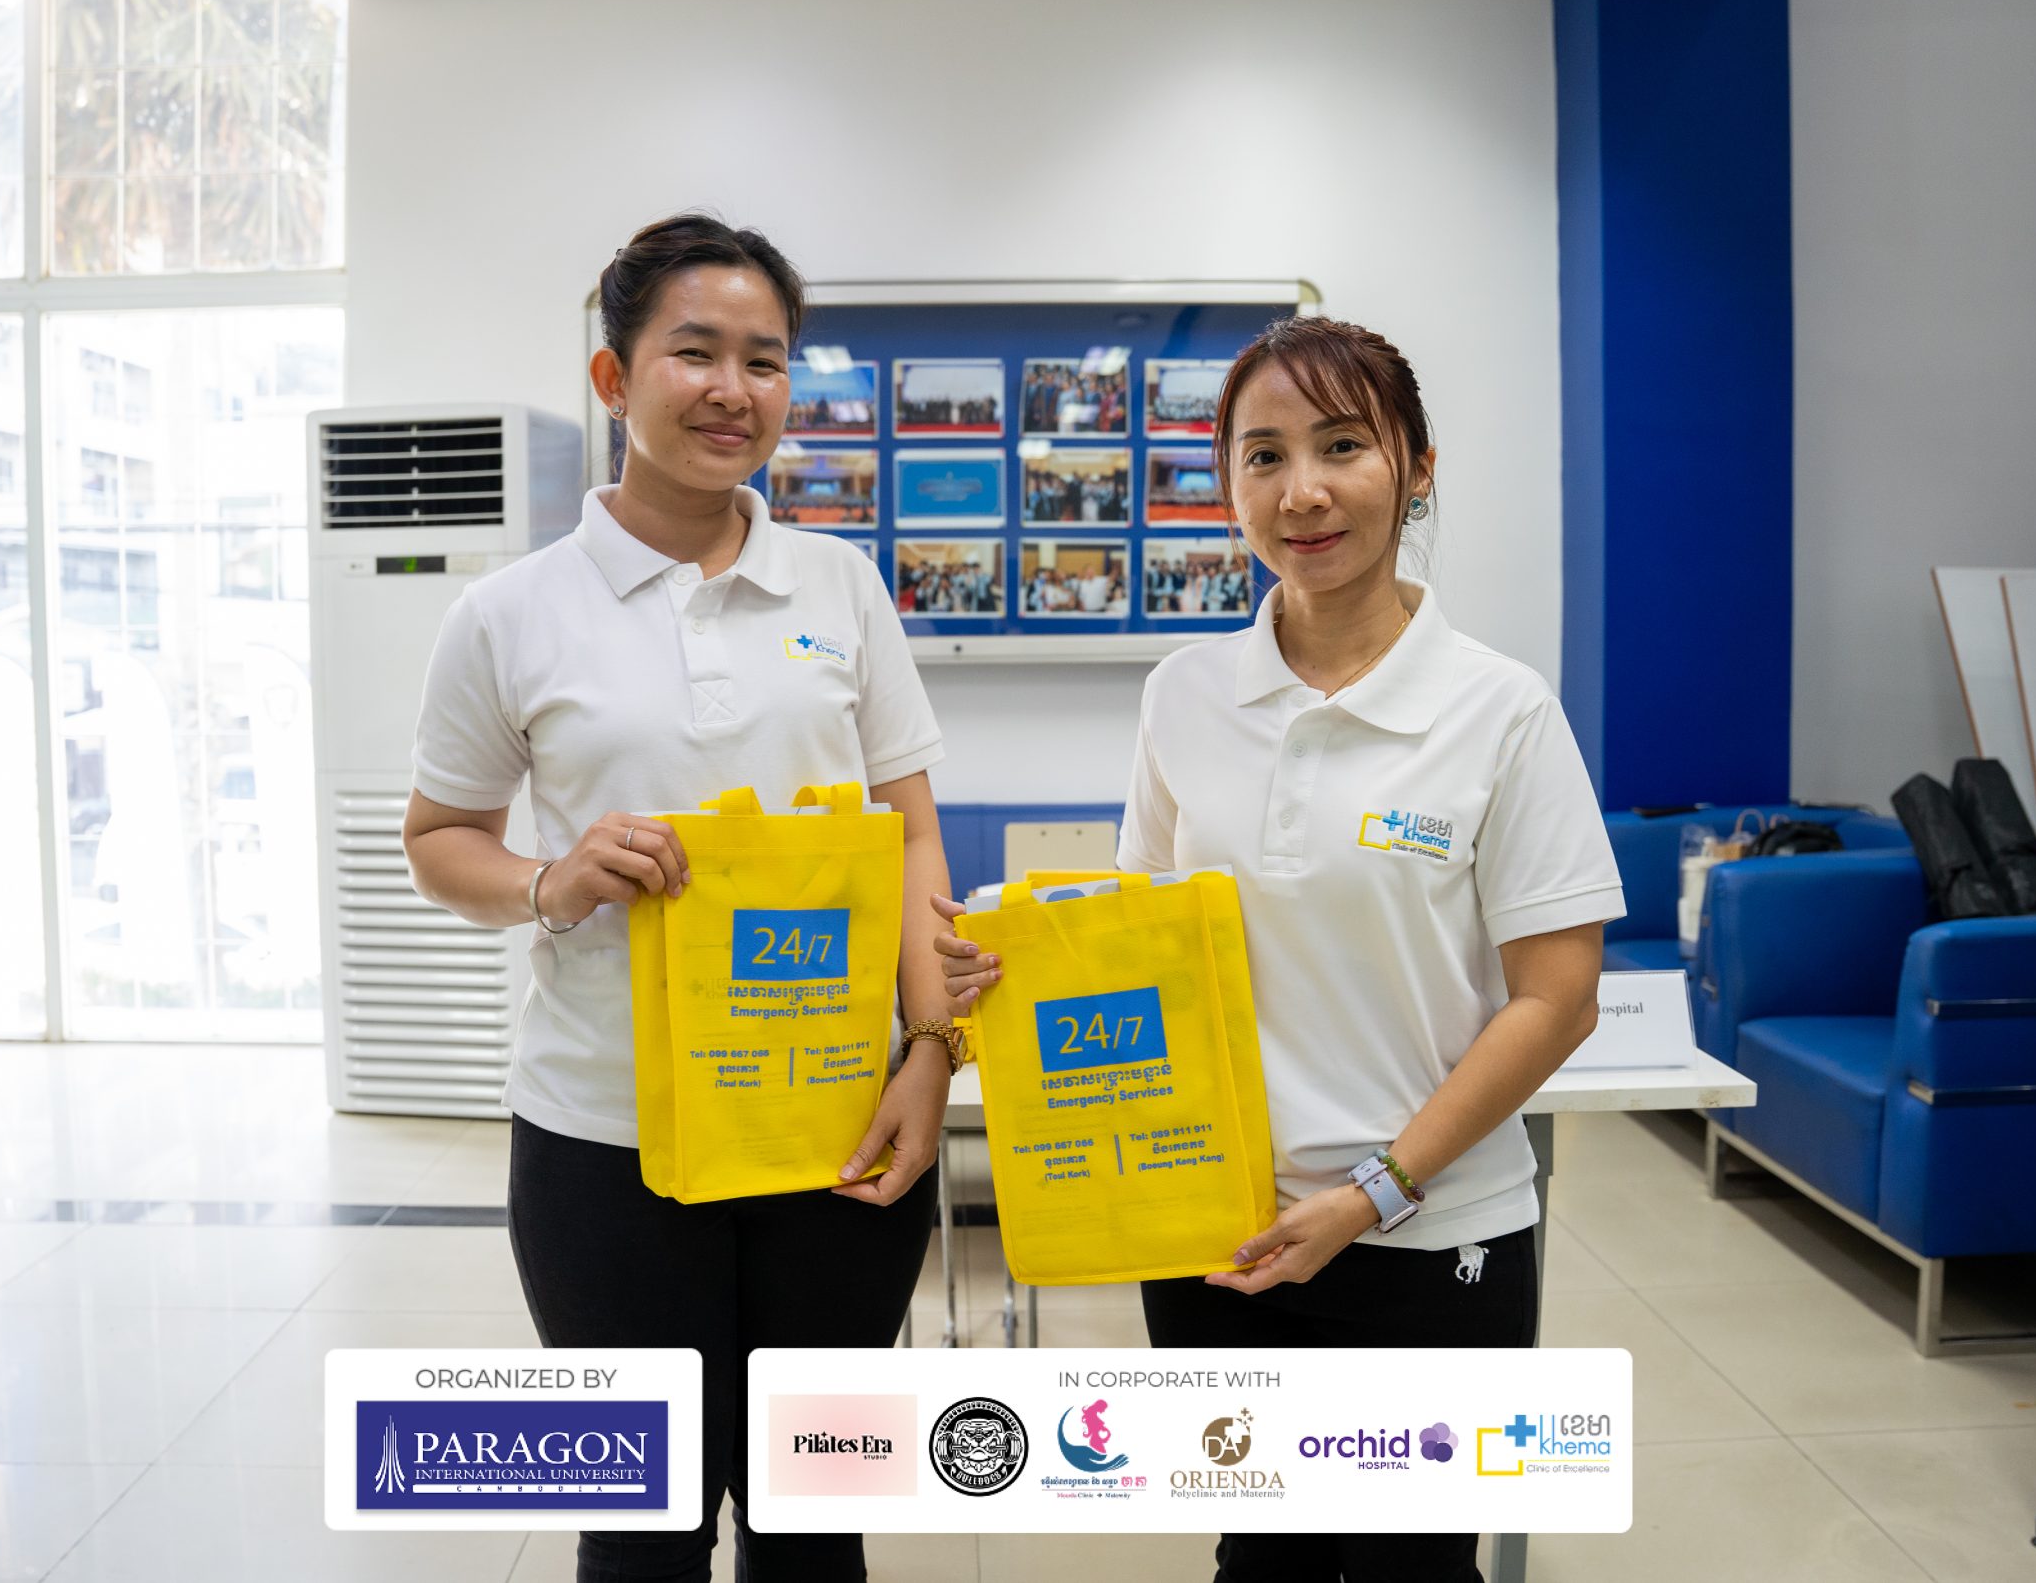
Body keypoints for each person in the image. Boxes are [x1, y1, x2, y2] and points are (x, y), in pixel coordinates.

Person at [936, 315, 1619, 1583]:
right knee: (1261, 1560)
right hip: (1220, 1228)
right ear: (1228, 485)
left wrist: (1375, 1190)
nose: (1302, 491)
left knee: (1416, 1573)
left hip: (1432, 1233)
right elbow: (1143, 954)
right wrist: (1013, 975)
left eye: (1342, 445)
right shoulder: (1184, 696)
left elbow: (1558, 996)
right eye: (1263, 456)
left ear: (1416, 469)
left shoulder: (1500, 709)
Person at [403, 213, 957, 1583]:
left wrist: (932, 1051)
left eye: (765, 360)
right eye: (694, 352)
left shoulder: (840, 585)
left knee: (811, 1517)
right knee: (639, 1525)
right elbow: (441, 838)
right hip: (605, 1139)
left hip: (834, 1128)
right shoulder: (510, 613)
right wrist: (549, 880)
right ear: (614, 376)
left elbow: (908, 836)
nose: (733, 389)